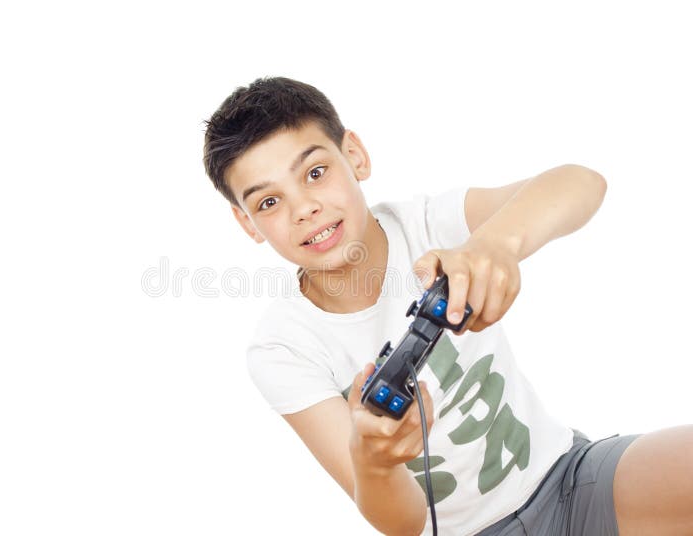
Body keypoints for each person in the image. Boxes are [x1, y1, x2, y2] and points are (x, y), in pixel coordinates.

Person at [201, 77, 693, 536]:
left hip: (569, 477)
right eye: (268, 203)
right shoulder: (283, 348)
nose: (303, 208)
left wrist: (495, 243)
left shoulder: (427, 224)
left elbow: (583, 183)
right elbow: (401, 523)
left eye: (315, 172)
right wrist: (377, 462)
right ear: (247, 224)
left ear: (355, 155)